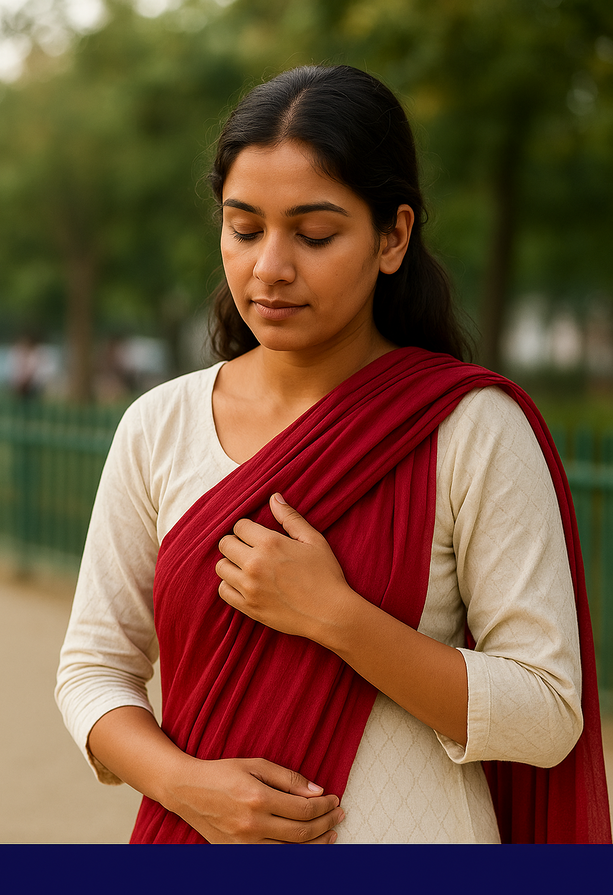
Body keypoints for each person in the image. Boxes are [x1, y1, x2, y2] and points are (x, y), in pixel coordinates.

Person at [55, 64, 611, 844]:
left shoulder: (469, 427)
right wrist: (186, 785)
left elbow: (549, 711)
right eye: (244, 228)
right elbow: (92, 672)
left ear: (393, 237)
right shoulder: (159, 426)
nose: (269, 267)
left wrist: (338, 617)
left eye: (314, 235)